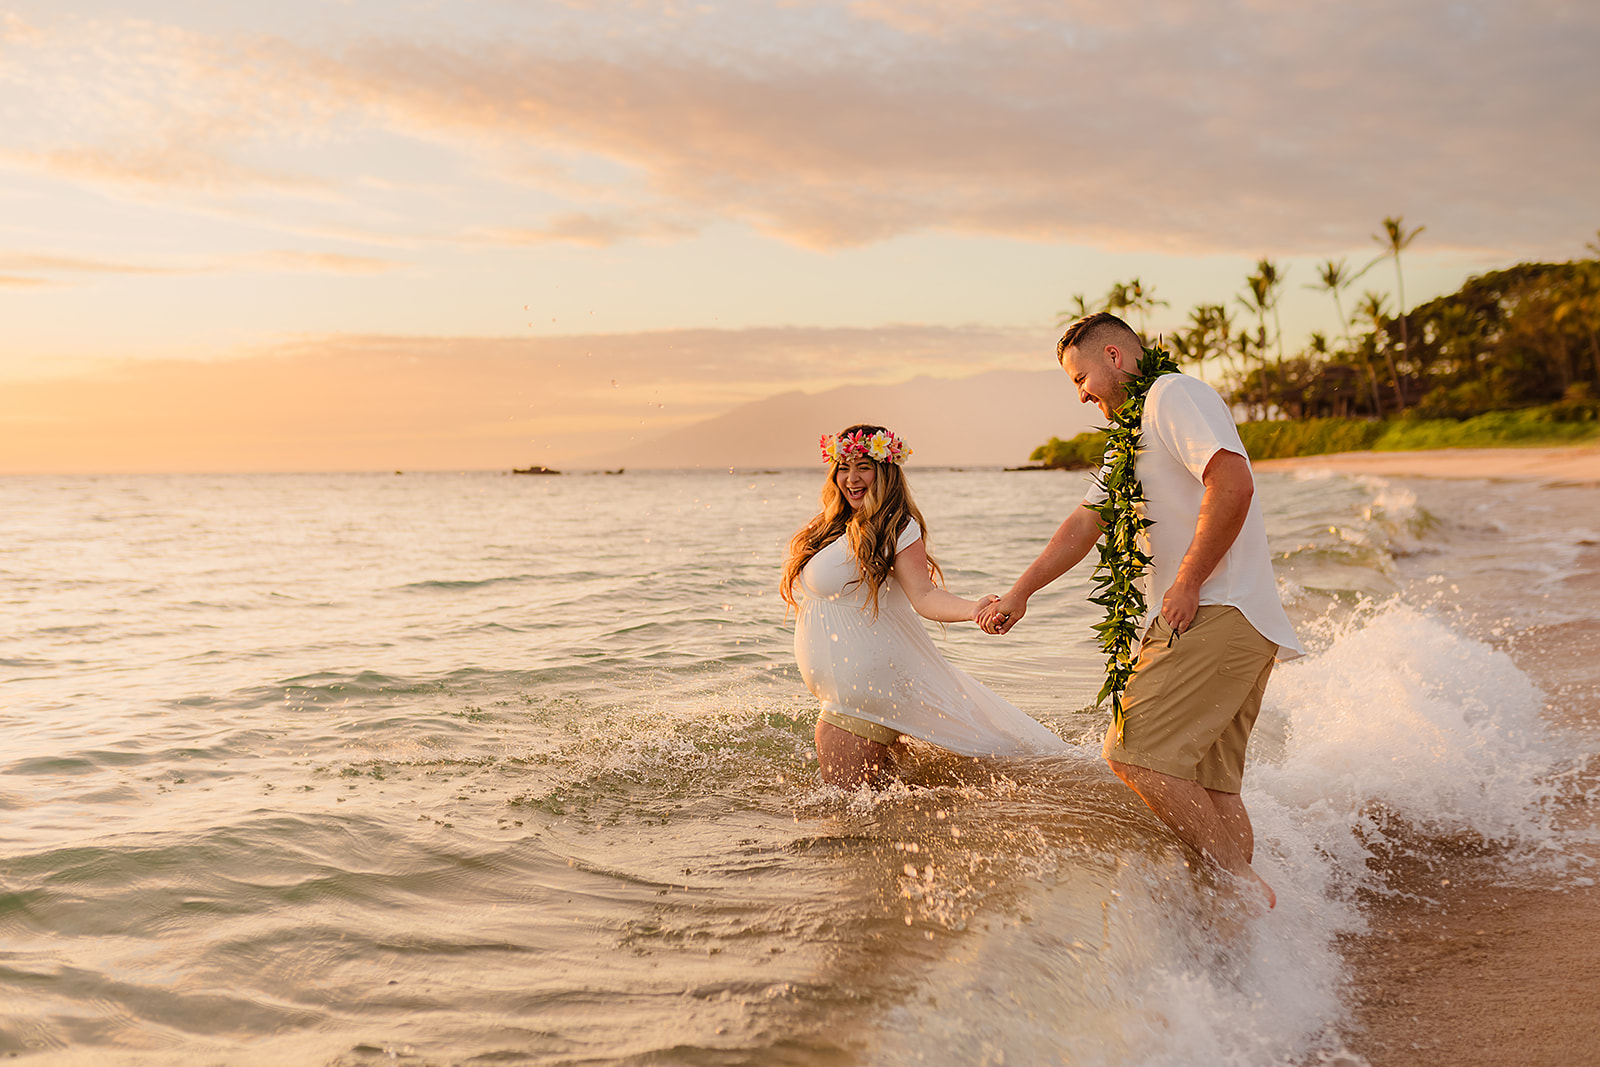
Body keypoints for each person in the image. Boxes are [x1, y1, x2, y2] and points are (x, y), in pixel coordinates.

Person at [978, 313, 1303, 909]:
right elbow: (1083, 524)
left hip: (1217, 609)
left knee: (1132, 753)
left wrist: (1186, 580)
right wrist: (1021, 591)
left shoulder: (1174, 395)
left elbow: (1231, 482)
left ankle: (1239, 887)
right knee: (1212, 785)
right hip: (1226, 617)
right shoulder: (1131, 432)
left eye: (1081, 378)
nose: (1080, 394)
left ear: (1114, 356)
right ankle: (1238, 935)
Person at [781, 423, 1069, 788]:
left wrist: (973, 609)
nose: (851, 478)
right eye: (843, 467)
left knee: (841, 814)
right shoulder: (835, 525)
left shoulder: (895, 525)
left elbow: (924, 595)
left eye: (864, 467)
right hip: (855, 691)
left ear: (886, 470)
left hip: (858, 696)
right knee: (879, 804)